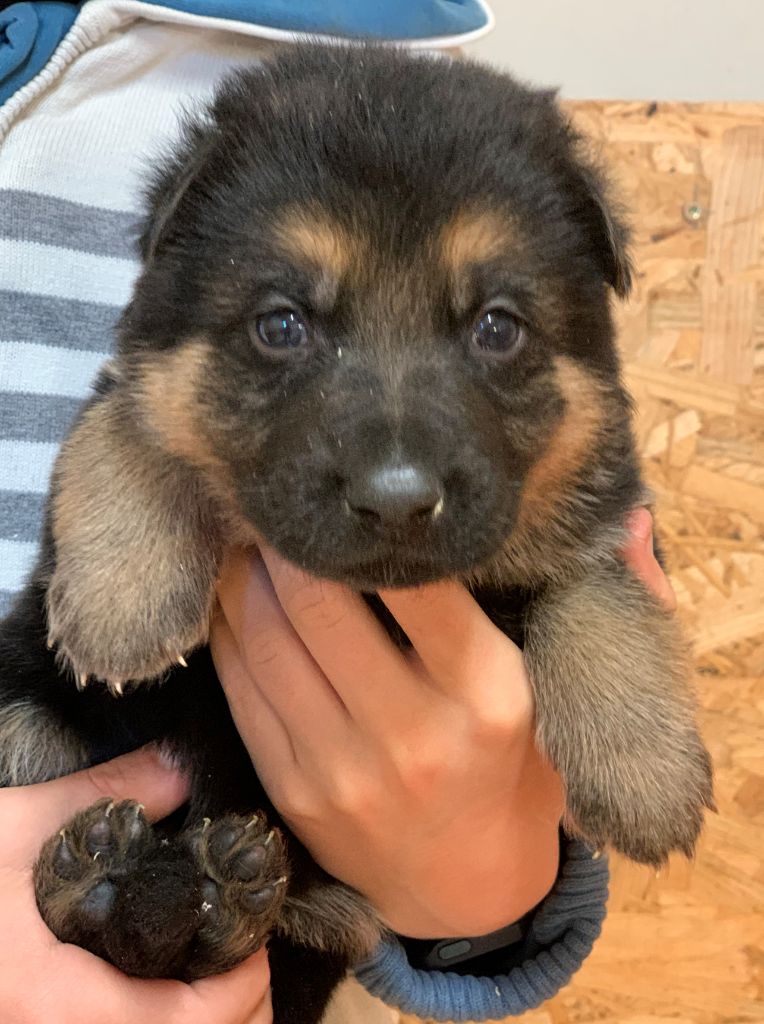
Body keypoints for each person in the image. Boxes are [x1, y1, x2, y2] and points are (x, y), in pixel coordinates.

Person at [0, 3, 676, 1021]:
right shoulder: (226, 174)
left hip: (290, 917)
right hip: (64, 761)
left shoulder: (371, 58)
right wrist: (141, 485)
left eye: (495, 330)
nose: (397, 473)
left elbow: (582, 571)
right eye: (284, 327)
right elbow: (145, 396)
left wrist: (485, 885)